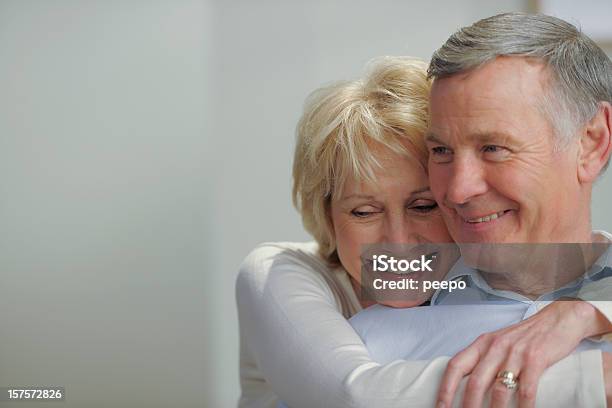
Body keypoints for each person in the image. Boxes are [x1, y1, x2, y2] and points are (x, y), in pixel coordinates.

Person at [235, 56, 611, 408]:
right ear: (328, 216)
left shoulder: (475, 279)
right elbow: (354, 395)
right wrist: (594, 381)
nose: (398, 243)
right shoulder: (278, 274)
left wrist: (582, 311)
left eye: (423, 206)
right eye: (364, 212)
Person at [349, 12, 612, 408]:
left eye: (494, 148)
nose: (458, 189)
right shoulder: (361, 344)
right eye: (441, 151)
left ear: (591, 143)